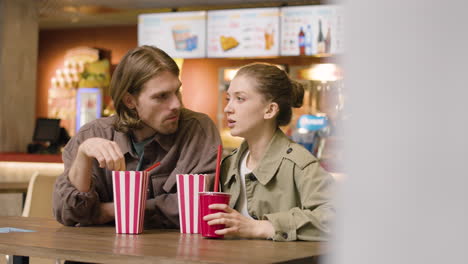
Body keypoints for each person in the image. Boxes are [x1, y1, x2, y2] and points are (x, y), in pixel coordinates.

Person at [53, 45, 221, 229]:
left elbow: (199, 205)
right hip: (98, 253)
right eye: (161, 96)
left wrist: (112, 211)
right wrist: (83, 156)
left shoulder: (198, 130)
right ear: (130, 101)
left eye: (176, 91)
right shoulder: (92, 135)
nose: (176, 104)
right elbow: (67, 213)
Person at [203, 63, 335, 241]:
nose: (228, 108)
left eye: (240, 99)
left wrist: (265, 227)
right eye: (228, 99)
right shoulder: (228, 165)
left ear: (270, 110)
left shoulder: (300, 164)